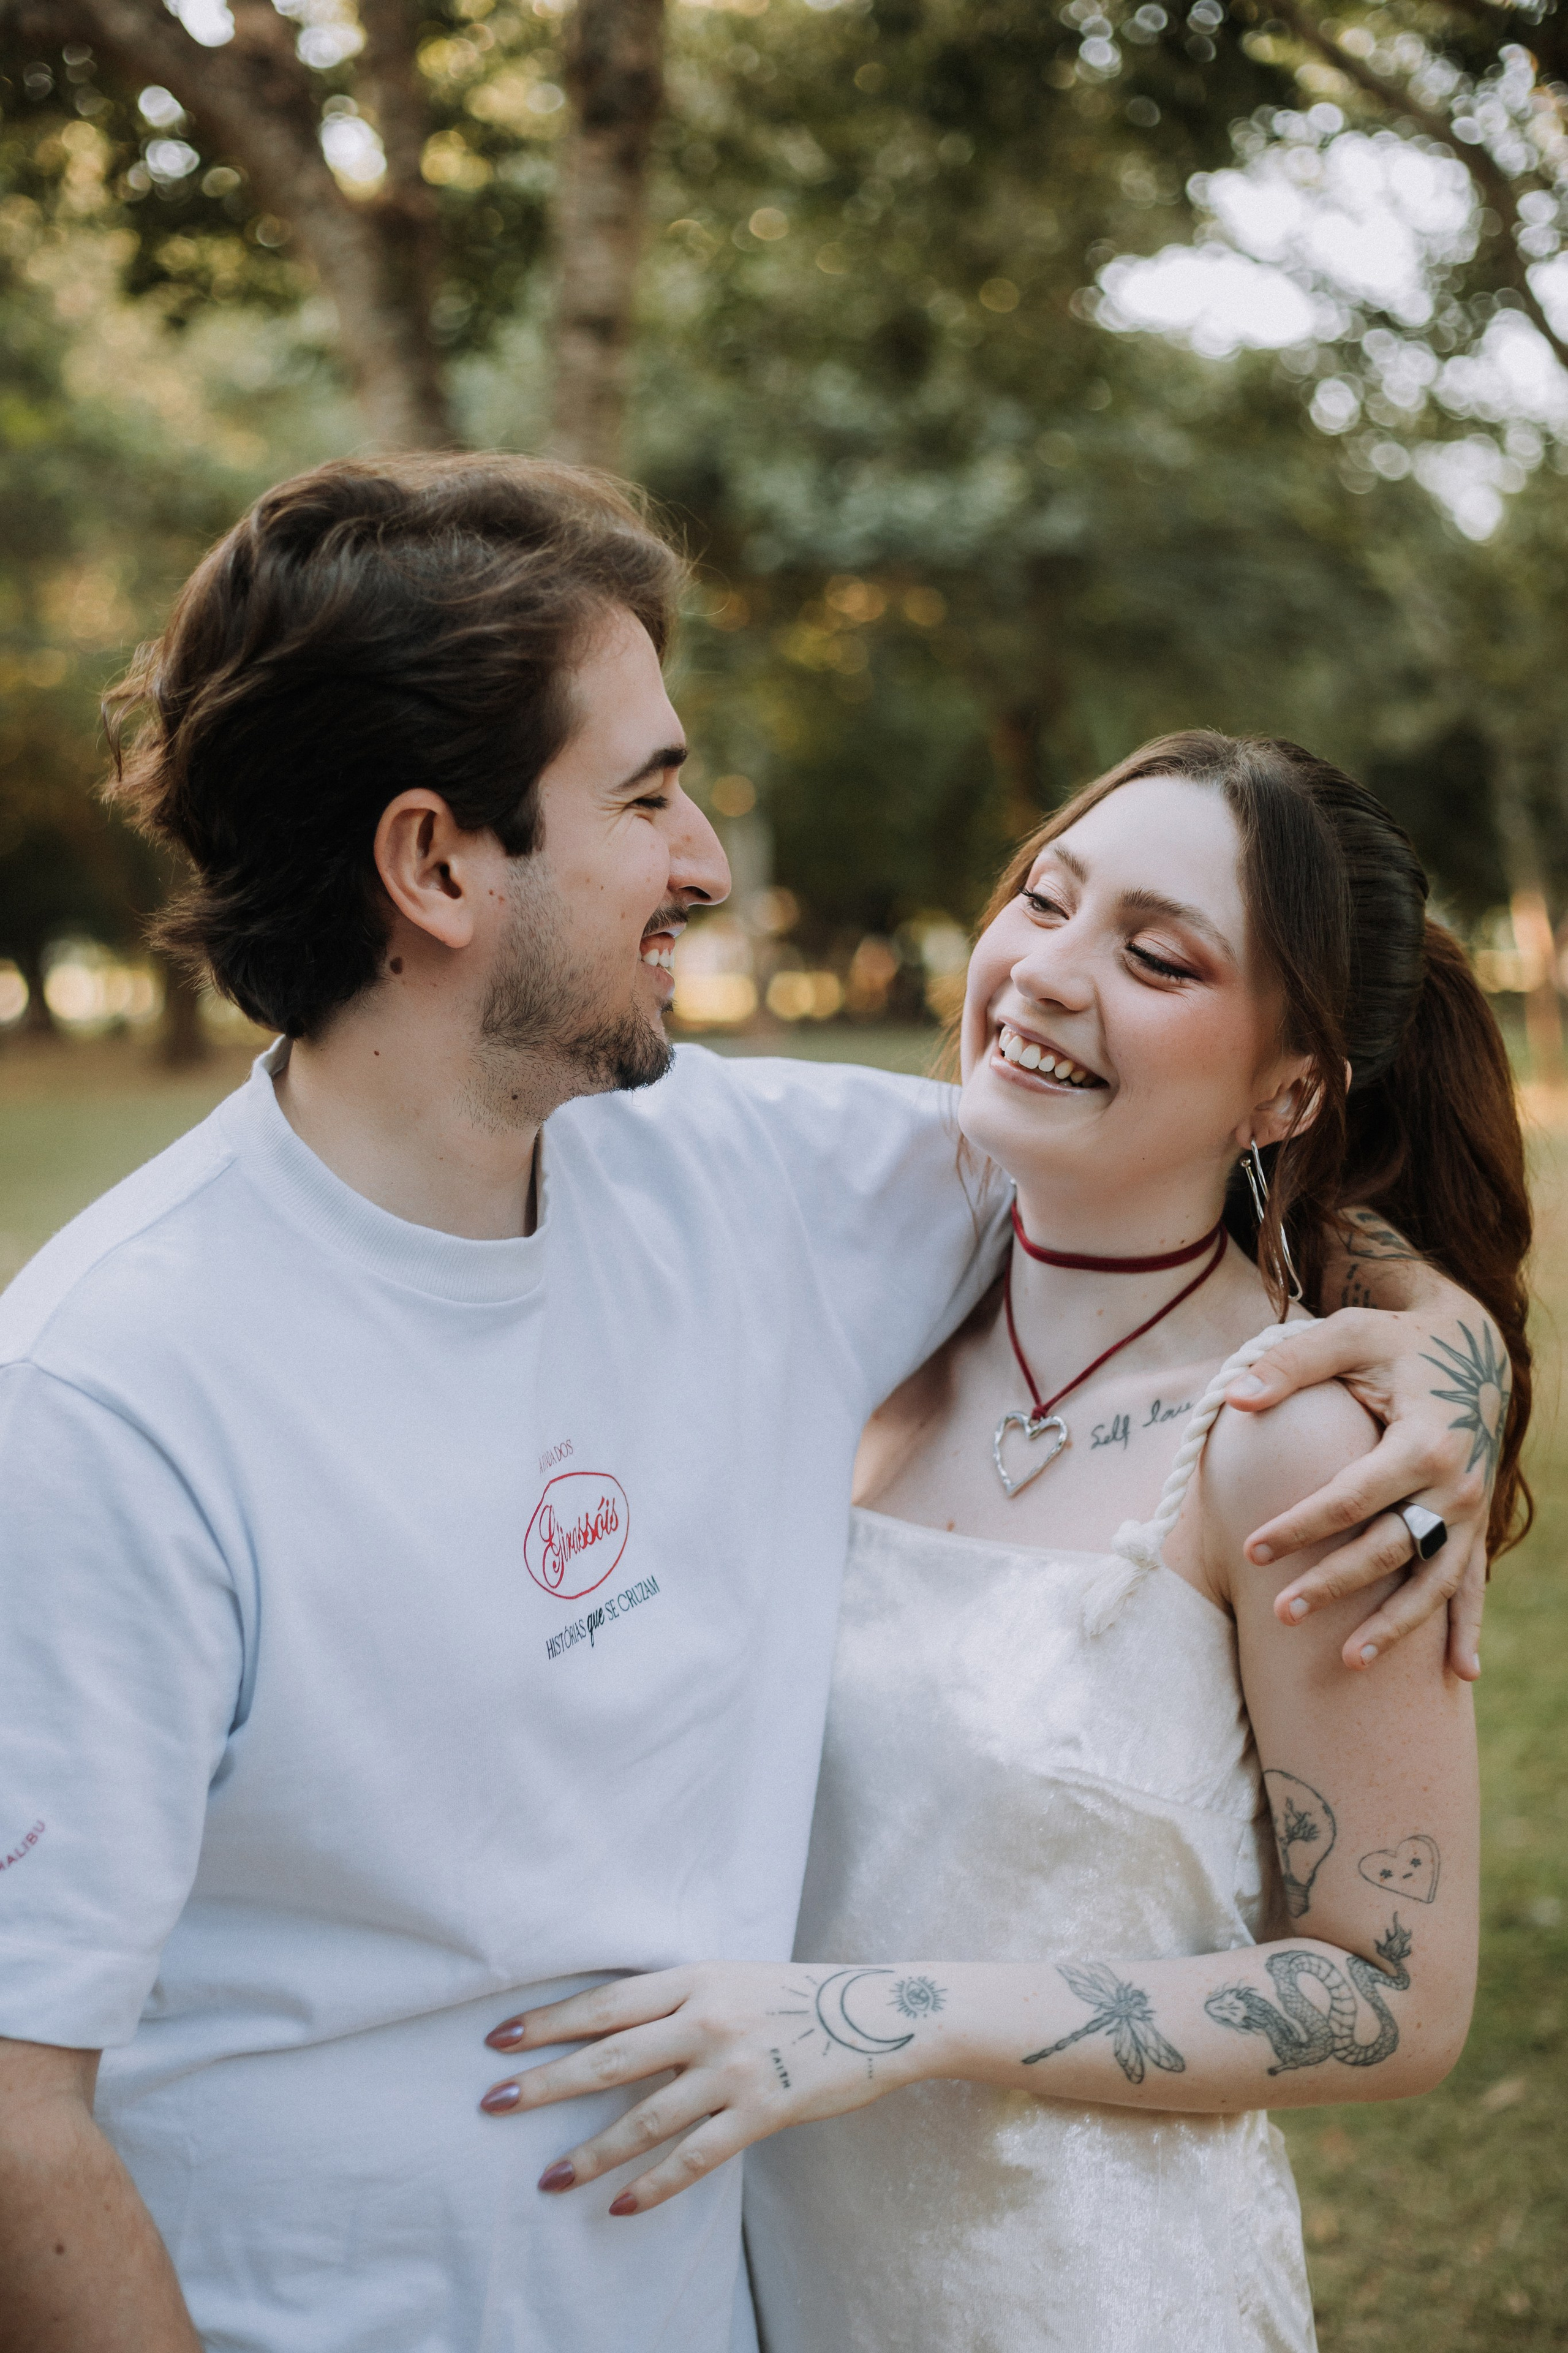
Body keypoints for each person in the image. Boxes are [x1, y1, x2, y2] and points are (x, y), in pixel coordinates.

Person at [0, 455, 1501, 2353]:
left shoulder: (748, 1180)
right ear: (436, 863)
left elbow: (1182, 1188)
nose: (706, 858)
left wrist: (1446, 1343)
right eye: (648, 798)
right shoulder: (107, 1394)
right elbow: (15, 2109)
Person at [478, 735, 1528, 2353]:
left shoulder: (1295, 1441)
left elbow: (1392, 1993)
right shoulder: (863, 1315)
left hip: (1090, 2301)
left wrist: (890, 2017)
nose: (1047, 971)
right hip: (766, 2285)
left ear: (1291, 1084)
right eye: (1045, 898)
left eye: (1156, 953)